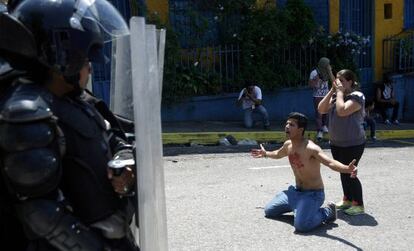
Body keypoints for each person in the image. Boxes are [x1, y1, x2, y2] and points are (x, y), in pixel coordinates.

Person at [0, 0, 139, 250]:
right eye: (87, 56)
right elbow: (40, 213)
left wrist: (123, 159)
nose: (91, 65)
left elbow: (112, 135)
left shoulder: (77, 101)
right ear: (64, 53)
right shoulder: (27, 112)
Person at [251, 112, 357, 232]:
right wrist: (265, 154)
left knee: (301, 226)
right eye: (287, 123)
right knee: (269, 211)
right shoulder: (288, 145)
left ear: (300, 129)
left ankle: (327, 212)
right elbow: (278, 153)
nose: (287, 126)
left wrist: (347, 169)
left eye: (291, 125)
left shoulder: (311, 148)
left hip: (313, 195)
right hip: (296, 192)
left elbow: (330, 162)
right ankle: (299, 208)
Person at [318, 69, 366, 216]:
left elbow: (342, 111)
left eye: (342, 81)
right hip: (336, 142)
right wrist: (332, 91)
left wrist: (339, 93)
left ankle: (358, 204)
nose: (338, 83)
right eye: (337, 81)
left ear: (350, 82)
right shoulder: (335, 95)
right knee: (342, 171)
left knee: (350, 172)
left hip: (353, 143)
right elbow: (321, 109)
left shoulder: (357, 96)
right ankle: (347, 199)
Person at [309, 57, 331, 140]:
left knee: (326, 112)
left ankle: (324, 125)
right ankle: (319, 131)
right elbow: (311, 85)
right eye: (327, 64)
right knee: (319, 114)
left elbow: (333, 81)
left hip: (326, 95)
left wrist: (330, 71)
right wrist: (317, 80)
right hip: (317, 96)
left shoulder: (327, 72)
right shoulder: (314, 73)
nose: (328, 66)